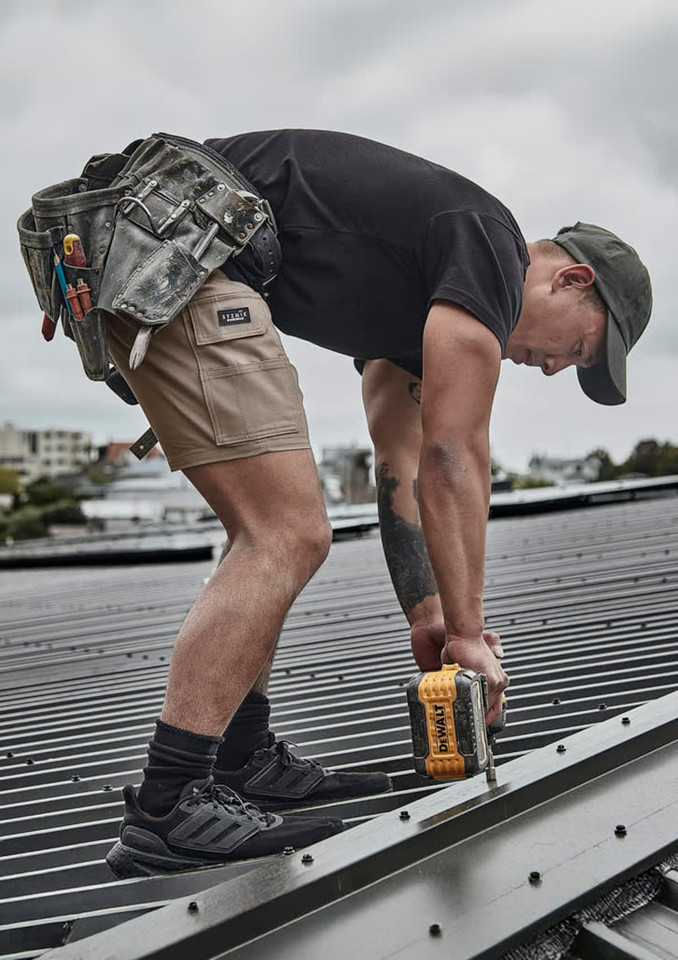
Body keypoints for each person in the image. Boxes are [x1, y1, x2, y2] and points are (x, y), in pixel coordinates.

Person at [104, 130, 652, 878]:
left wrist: (431, 617)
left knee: (263, 534)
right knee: (286, 533)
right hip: (176, 252)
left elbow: (402, 463)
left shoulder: (428, 302)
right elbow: (454, 457)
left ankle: (239, 754)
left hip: (153, 253)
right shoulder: (488, 247)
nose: (554, 369)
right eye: (580, 350)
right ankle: (170, 803)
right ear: (571, 280)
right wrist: (469, 634)